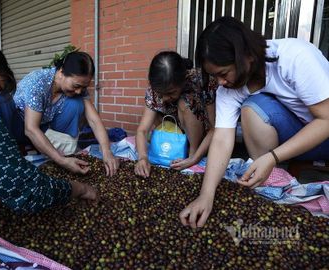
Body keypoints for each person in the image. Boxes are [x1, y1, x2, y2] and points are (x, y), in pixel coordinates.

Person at [179, 16, 329, 228]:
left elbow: (326, 120)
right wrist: (206, 195)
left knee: (257, 105)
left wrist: (273, 156)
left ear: (245, 56)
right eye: (215, 77)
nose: (221, 83)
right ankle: (271, 177)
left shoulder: (295, 56)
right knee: (253, 107)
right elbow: (221, 139)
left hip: (324, 136)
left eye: (223, 74)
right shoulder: (228, 90)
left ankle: (270, 164)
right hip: (298, 136)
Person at [0, 38, 97, 214]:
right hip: (20, 130)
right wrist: (80, 189)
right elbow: (28, 192)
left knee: (75, 103)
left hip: (34, 134)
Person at [0, 49, 119, 176]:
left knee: (76, 103)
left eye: (83, 87)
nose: (79, 91)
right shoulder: (38, 82)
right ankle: (45, 152)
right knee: (2, 101)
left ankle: (60, 152)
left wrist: (106, 150)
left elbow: (94, 120)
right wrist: (61, 161)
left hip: (43, 128)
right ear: (61, 73)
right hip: (19, 126)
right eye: (76, 86)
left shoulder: (77, 89)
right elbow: (30, 129)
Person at [134, 51, 218, 177]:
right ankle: (170, 145)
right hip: (173, 134)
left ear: (183, 80)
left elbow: (214, 128)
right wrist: (143, 158)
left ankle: (191, 151)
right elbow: (142, 130)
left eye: (170, 93)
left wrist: (193, 159)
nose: (164, 99)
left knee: (186, 103)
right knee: (154, 108)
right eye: (160, 94)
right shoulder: (154, 91)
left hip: (196, 133)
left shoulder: (202, 80)